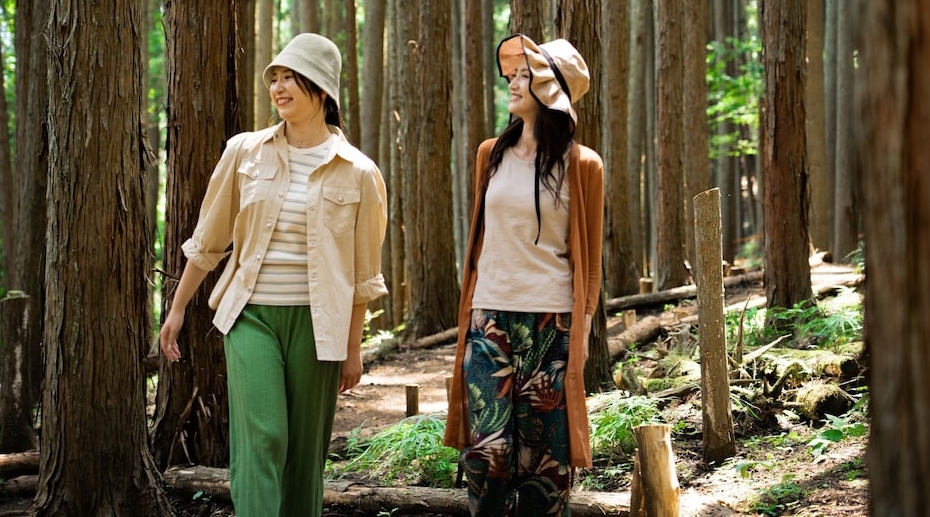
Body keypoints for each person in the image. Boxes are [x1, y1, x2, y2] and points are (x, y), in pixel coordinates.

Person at [159, 33, 388, 517]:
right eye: (275, 79)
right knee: (264, 437)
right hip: (251, 317)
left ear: (322, 90)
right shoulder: (245, 152)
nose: (279, 88)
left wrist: (353, 348)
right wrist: (178, 308)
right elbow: (208, 241)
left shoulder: (360, 172)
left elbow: (364, 274)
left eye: (291, 79)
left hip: (316, 325)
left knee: (305, 454)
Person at [443, 34, 604, 516]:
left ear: (550, 91)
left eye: (524, 75)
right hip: (489, 316)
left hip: (552, 323)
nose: (511, 82)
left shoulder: (583, 165)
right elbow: (479, 244)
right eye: (511, 73)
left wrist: (584, 332)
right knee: (486, 452)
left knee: (545, 468)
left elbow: (590, 262)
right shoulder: (489, 154)